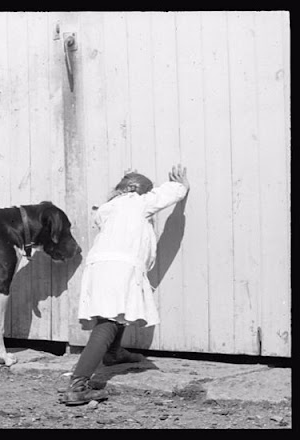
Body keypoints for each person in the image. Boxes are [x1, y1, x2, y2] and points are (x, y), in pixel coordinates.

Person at [60, 164, 190, 406]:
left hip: (100, 266)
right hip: (119, 267)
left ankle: (113, 353)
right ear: (136, 191)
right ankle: (78, 386)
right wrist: (181, 186)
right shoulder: (136, 202)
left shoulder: (108, 209)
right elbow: (165, 195)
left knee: (116, 311)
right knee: (109, 321)